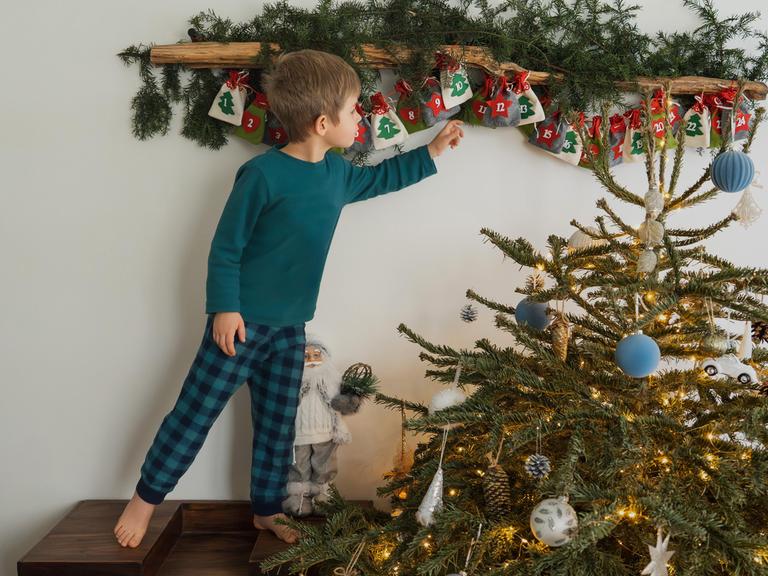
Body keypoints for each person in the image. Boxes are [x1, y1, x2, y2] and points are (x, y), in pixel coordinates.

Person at [113, 48, 464, 548]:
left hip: (289, 329)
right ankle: (144, 501)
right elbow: (226, 247)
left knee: (279, 427)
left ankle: (266, 510)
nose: (361, 116)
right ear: (323, 122)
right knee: (194, 415)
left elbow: (383, 177)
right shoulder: (262, 176)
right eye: (353, 110)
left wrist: (432, 151)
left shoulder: (338, 175)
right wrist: (224, 308)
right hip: (238, 326)